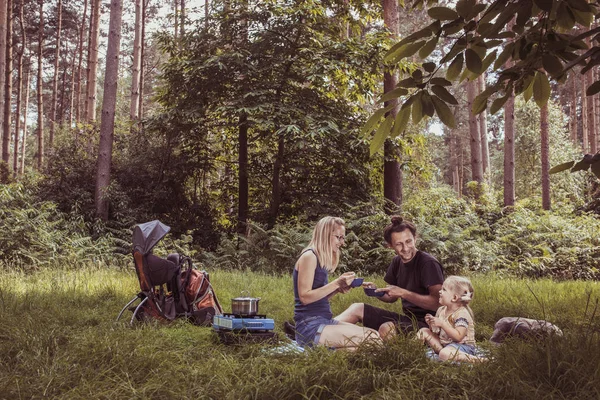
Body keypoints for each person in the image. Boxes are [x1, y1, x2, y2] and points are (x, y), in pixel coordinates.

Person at [334, 216, 444, 339]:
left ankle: (365, 343)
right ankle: (321, 332)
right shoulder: (397, 262)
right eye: (399, 244)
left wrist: (404, 293)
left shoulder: (428, 263)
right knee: (357, 308)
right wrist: (376, 292)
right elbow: (391, 298)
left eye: (408, 241)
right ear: (390, 245)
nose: (405, 248)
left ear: (415, 239)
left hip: (431, 325)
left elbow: (438, 304)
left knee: (387, 329)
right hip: (409, 320)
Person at [293, 216, 381, 349]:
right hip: (309, 326)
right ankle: (322, 353)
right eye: (338, 237)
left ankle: (328, 353)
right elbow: (305, 297)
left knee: (374, 336)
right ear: (325, 235)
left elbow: (317, 299)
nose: (342, 242)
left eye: (343, 238)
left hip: (324, 321)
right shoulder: (309, 257)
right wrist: (336, 283)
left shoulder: (320, 260)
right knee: (371, 340)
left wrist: (337, 289)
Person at [417, 275, 487, 362]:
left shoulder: (462, 314)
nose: (440, 291)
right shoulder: (441, 310)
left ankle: (478, 360)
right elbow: (438, 332)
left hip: (462, 346)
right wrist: (432, 325)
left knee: (444, 353)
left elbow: (458, 337)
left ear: (454, 298)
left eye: (444, 289)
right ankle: (413, 353)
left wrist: (442, 323)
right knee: (423, 331)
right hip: (445, 344)